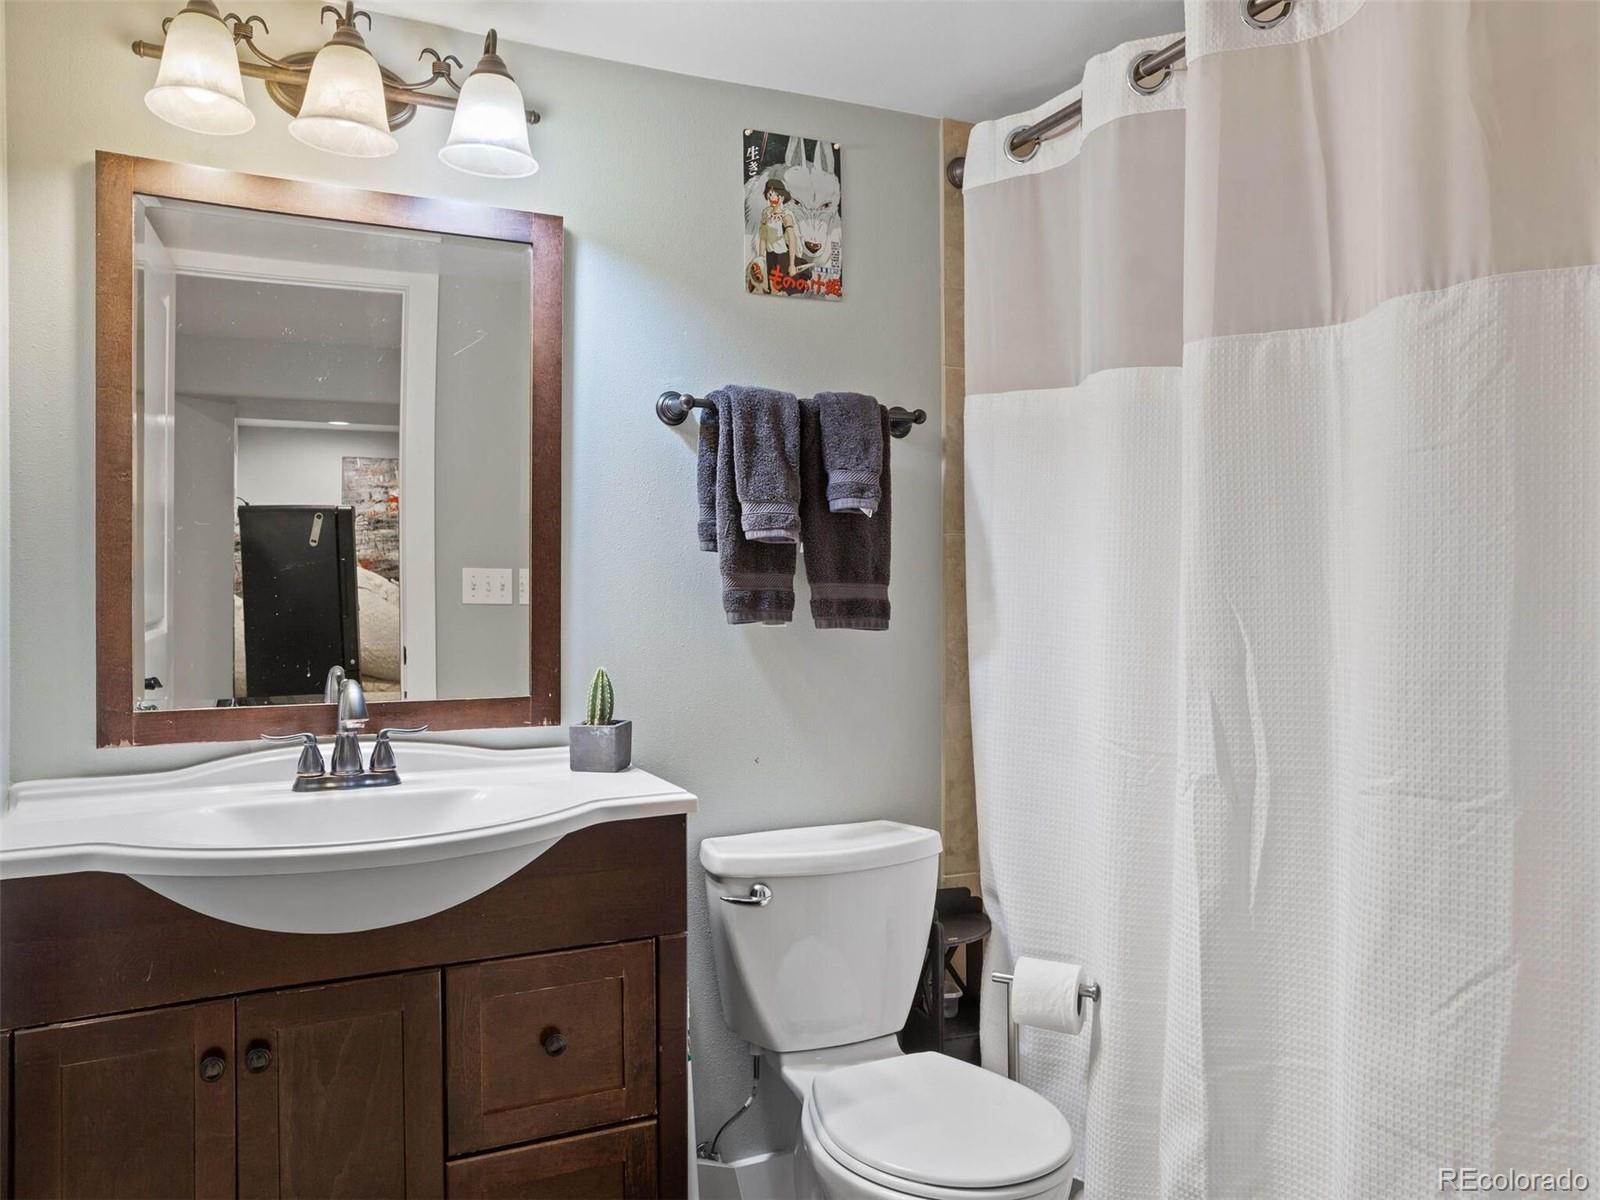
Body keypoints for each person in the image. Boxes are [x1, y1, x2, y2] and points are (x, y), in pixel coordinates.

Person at [755, 177, 799, 295]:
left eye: (775, 195)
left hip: (782, 255)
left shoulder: (786, 215)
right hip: (769, 254)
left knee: (779, 288)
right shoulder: (766, 213)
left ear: (782, 196)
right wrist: (760, 257)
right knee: (769, 286)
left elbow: (792, 240)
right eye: (769, 194)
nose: (772, 198)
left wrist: (792, 264)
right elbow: (763, 236)